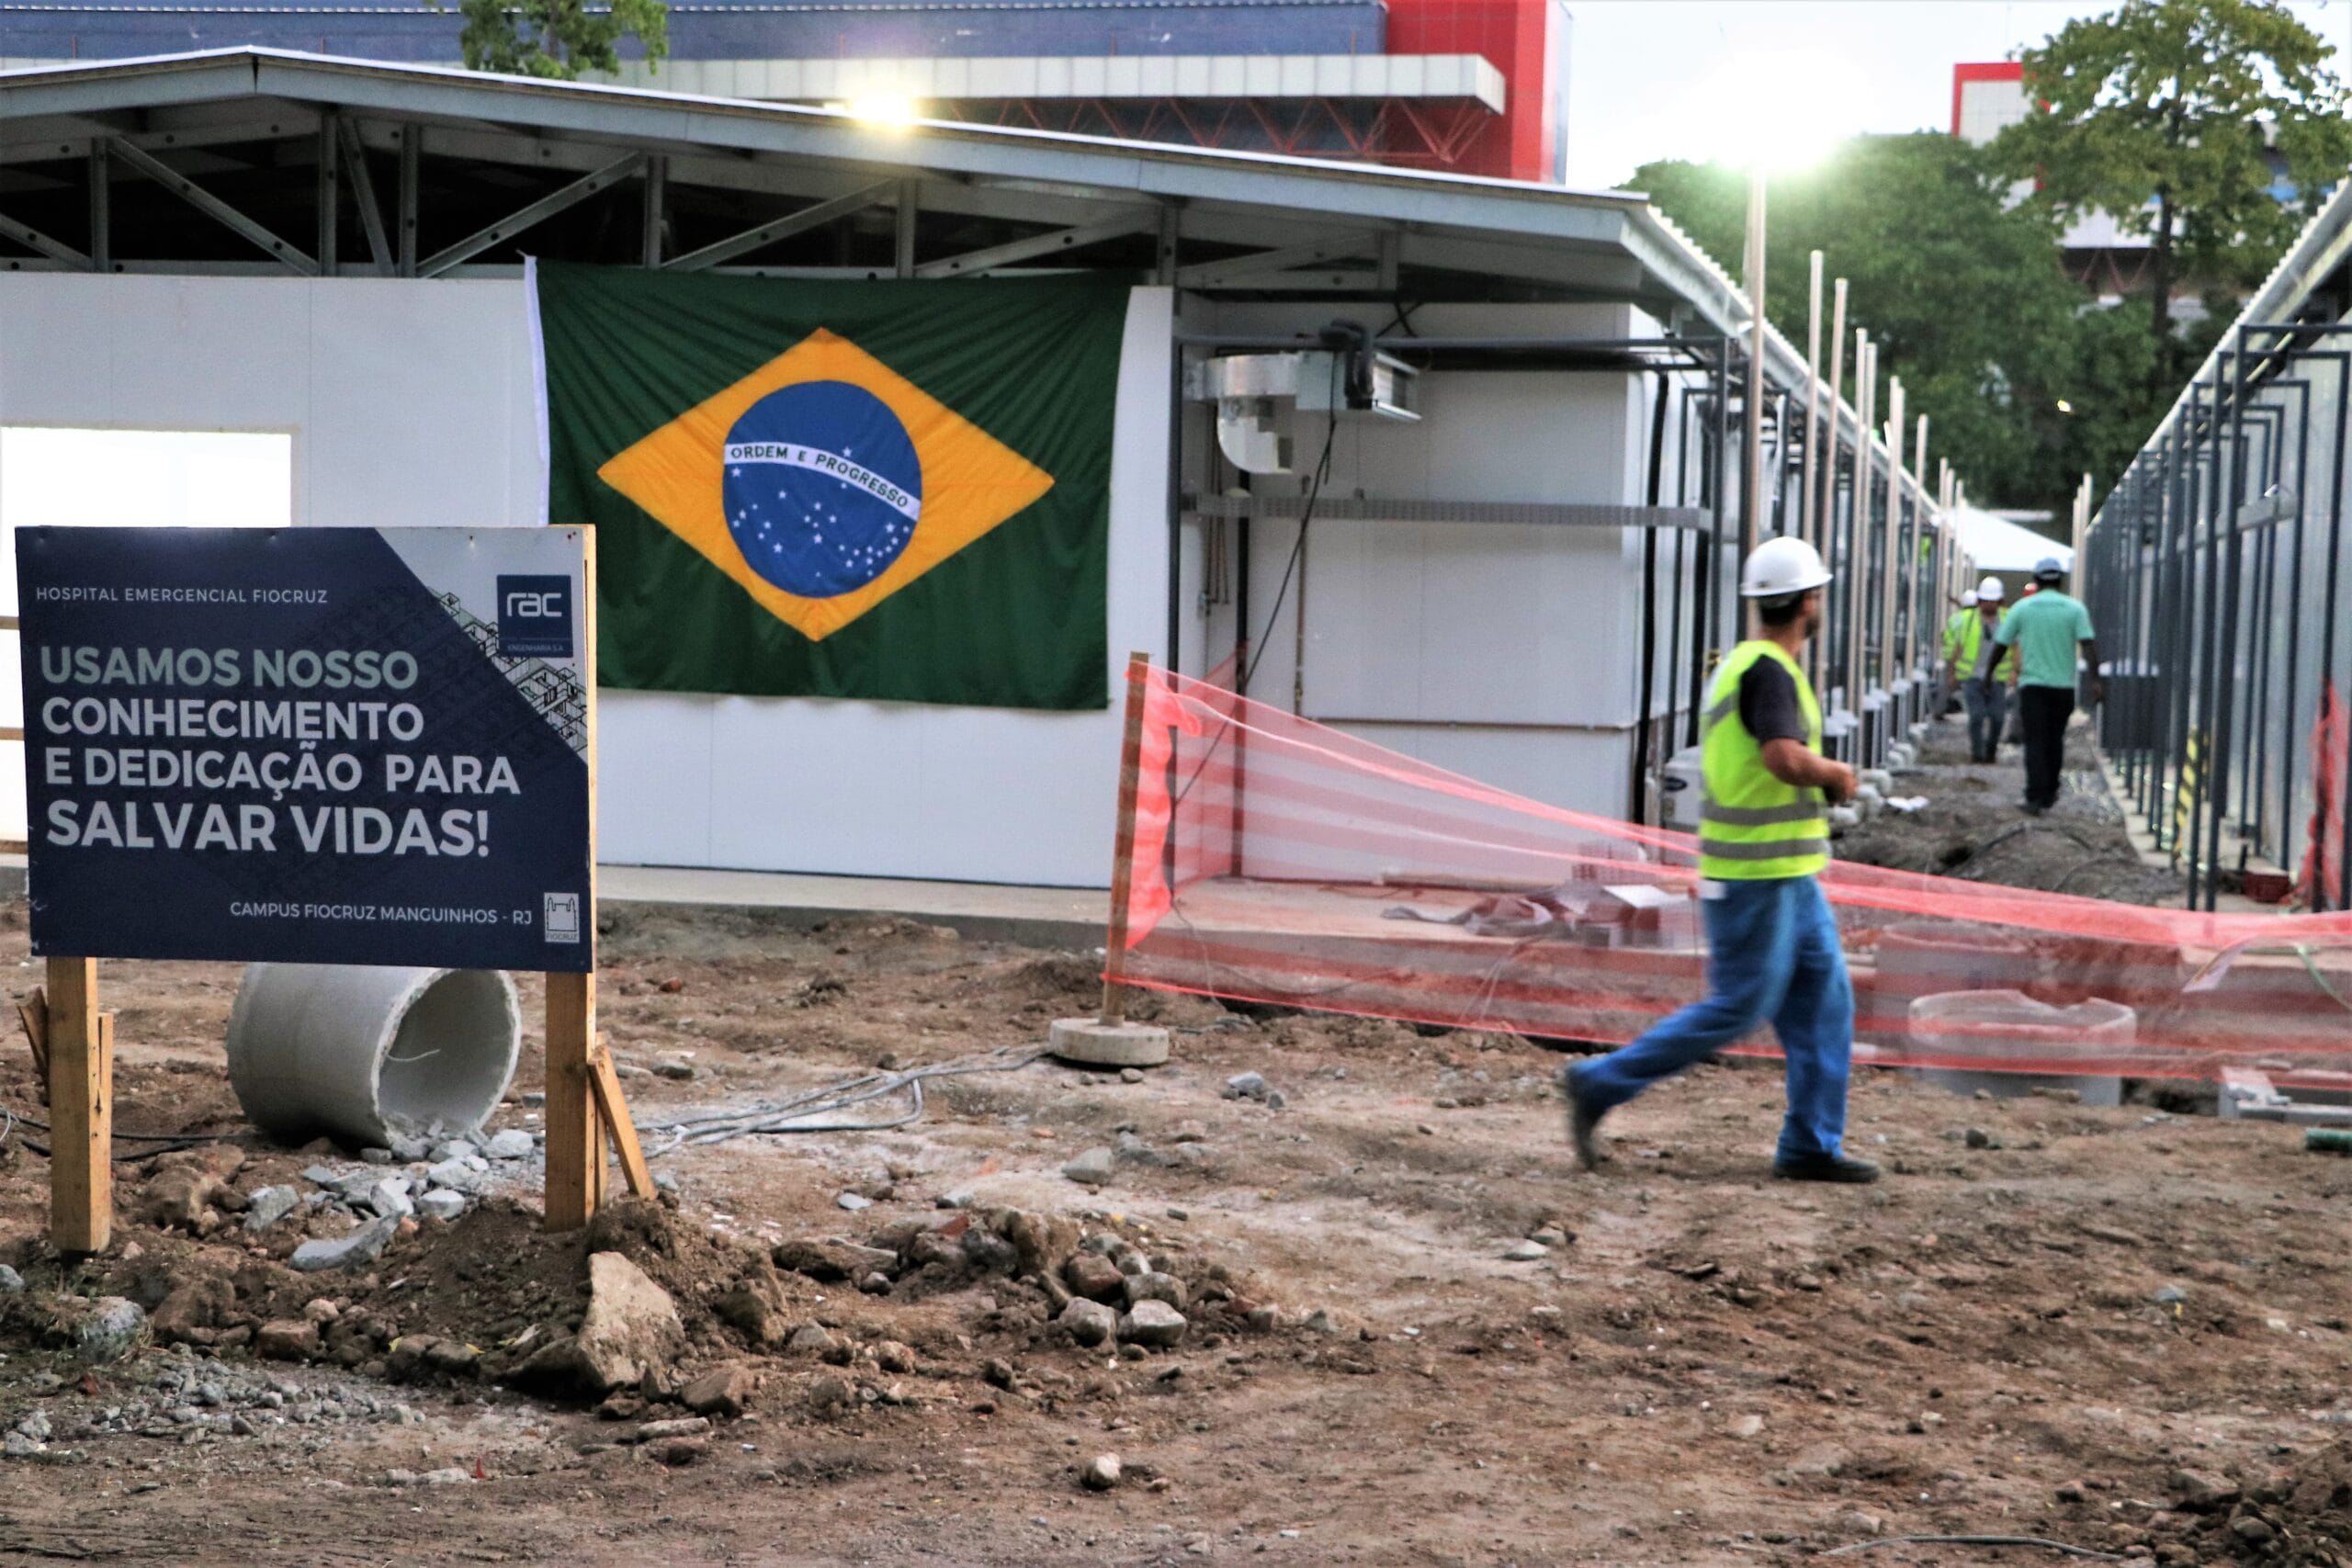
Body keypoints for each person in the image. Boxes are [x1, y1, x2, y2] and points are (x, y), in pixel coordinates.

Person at [1561, 536, 1875, 1183]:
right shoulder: (1767, 670)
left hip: (1788, 874)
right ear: (1809, 601)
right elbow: (1782, 757)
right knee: (1738, 1005)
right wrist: (1836, 775)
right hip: (1755, 877)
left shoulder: (1750, 665)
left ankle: (1811, 1144)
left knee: (1825, 1001)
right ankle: (1598, 1082)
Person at [1985, 556, 2102, 816]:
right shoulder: (2075, 609)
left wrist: (1988, 675)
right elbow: (2089, 645)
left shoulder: (2022, 609)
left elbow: (2001, 644)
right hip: (2063, 689)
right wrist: (2096, 681)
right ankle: (2049, 791)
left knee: (2035, 741)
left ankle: (2035, 796)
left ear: (2037, 580)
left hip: (2033, 688)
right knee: (2054, 739)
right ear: (2060, 580)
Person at [1942, 577, 2014, 763]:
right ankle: (1978, 752)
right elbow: (1956, 648)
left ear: (1999, 601)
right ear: (1979, 601)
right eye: (1985, 600)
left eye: (1993, 600)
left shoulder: (2008, 619)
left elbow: (2016, 646)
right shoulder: (1966, 621)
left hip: (1998, 677)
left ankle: (1991, 749)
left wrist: (2015, 671)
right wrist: (1952, 674)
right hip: (1972, 676)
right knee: (1976, 715)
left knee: (1998, 717)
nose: (1989, 604)